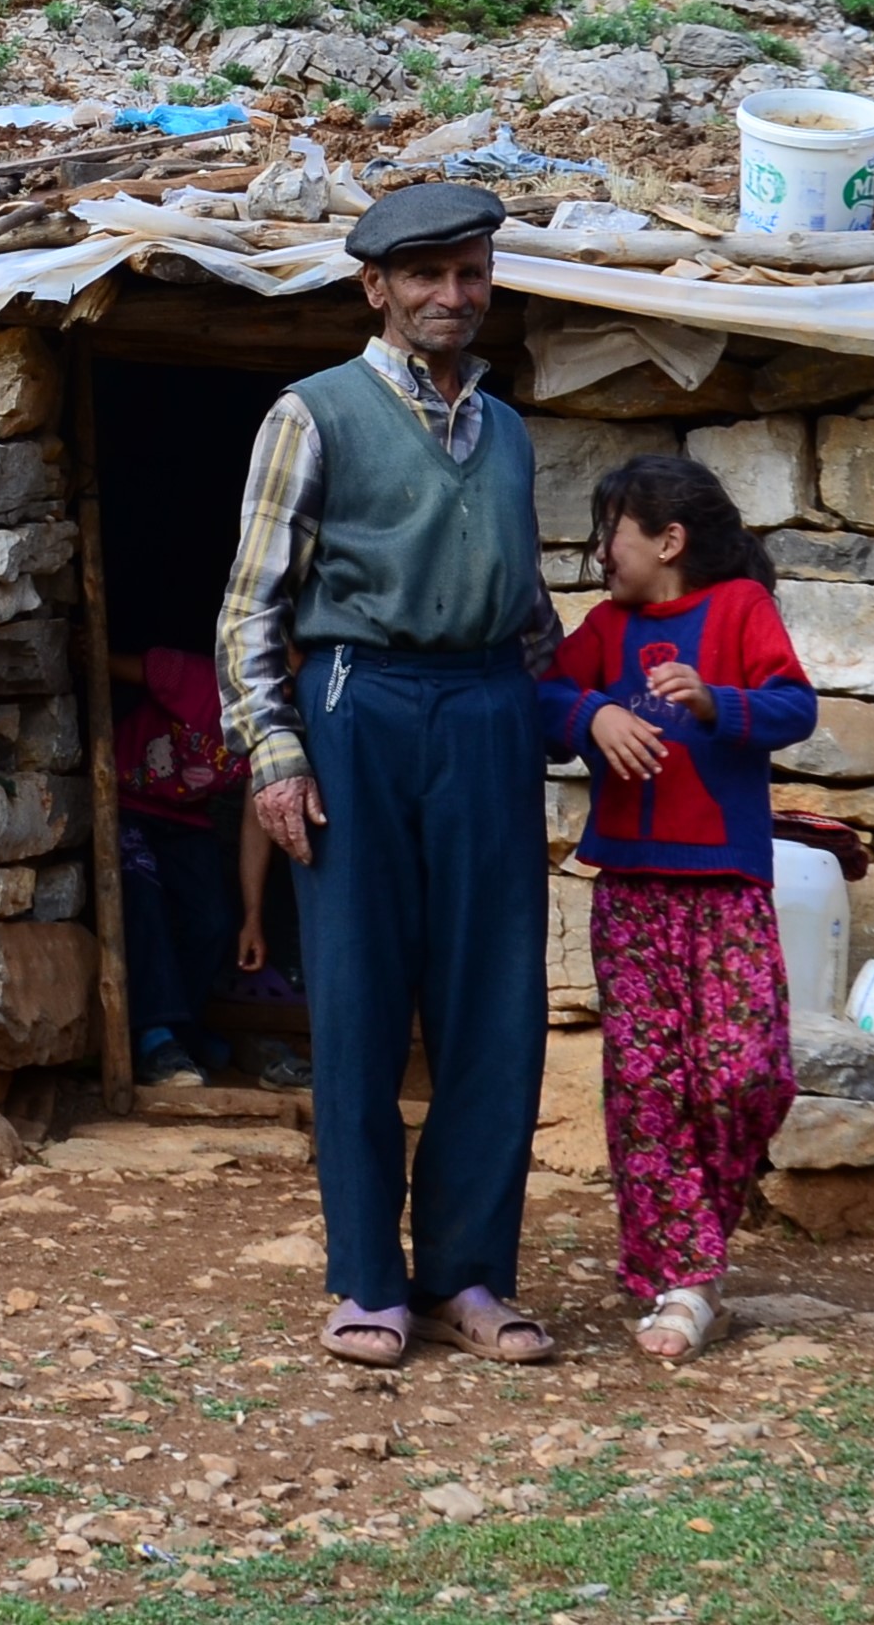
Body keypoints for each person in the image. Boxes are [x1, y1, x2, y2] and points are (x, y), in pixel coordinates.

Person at [216, 180, 558, 1370]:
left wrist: (548, 709)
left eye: (468, 274)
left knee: (496, 1006)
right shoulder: (311, 415)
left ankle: (467, 1275)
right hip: (360, 707)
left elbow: (524, 602)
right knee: (360, 1002)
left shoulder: (506, 429)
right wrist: (273, 753)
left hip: (488, 712)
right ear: (376, 287)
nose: (449, 296)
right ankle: (366, 1279)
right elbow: (251, 606)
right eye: (424, 276)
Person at [539, 453, 817, 1360]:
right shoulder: (602, 631)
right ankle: (685, 1281)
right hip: (631, 890)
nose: (598, 551)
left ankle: (691, 1239)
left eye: (609, 530)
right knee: (649, 1085)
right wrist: (591, 719)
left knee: (744, 1074)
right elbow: (541, 694)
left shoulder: (741, 609)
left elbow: (795, 708)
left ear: (668, 540)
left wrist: (717, 700)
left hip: (726, 890)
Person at [110, 643, 248, 1088]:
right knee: (143, 900)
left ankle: (181, 1031)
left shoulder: (276, 732)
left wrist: (257, 917)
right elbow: (96, 658)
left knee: (214, 922)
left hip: (187, 821)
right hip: (125, 804)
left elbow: (258, 821)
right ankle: (155, 1038)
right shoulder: (192, 677)